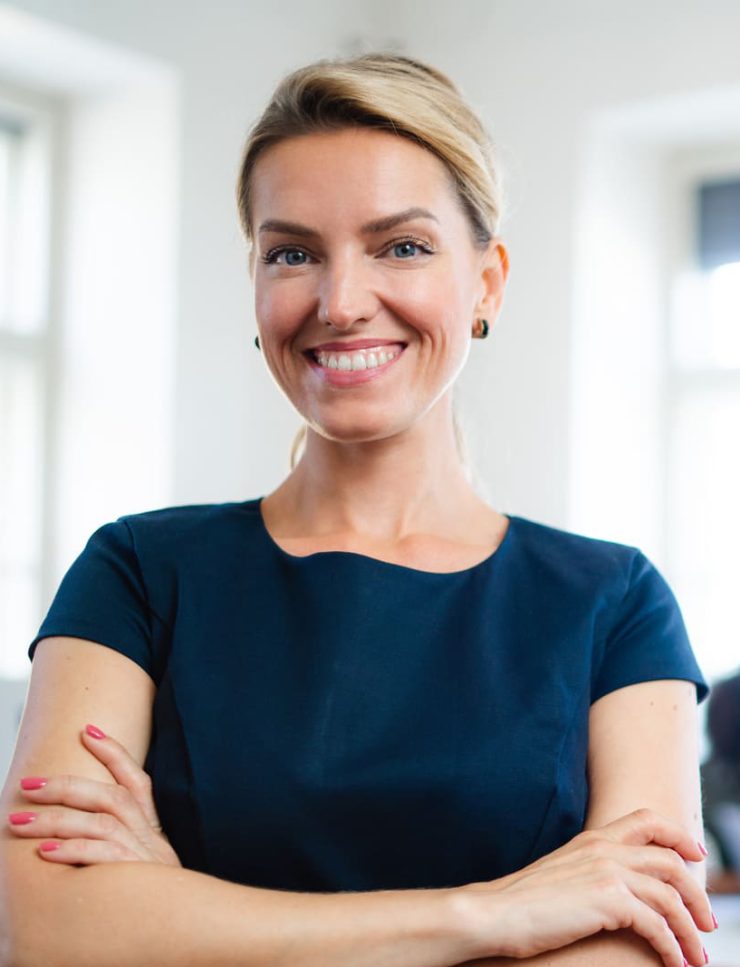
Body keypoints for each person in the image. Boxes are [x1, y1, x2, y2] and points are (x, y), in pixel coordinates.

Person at [1, 52, 717, 967]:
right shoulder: (138, 571)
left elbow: (635, 948)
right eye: (292, 252)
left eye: (402, 246)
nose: (340, 303)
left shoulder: (613, 602)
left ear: (488, 280)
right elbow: (52, 933)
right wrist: (491, 914)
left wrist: (179, 914)